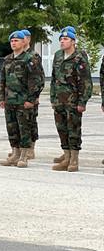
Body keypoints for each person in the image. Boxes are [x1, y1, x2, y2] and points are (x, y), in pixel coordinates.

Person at [50, 30, 92, 172]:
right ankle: (66, 157)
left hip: (73, 101)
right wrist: (52, 98)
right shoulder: (58, 56)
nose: (62, 41)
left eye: (66, 39)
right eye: (61, 39)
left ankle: (74, 160)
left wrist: (82, 102)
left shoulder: (79, 58)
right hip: (59, 101)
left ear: (73, 41)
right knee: (61, 129)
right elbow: (54, 79)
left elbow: (85, 81)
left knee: (73, 130)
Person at [0, 31, 40, 168]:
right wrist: (2, 97)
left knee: (24, 129)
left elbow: (35, 81)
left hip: (23, 101)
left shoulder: (29, 58)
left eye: (16, 41)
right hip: (10, 100)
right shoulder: (8, 59)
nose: (14, 43)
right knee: (12, 128)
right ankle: (14, 153)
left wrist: (31, 99)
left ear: (23, 42)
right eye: (12, 41)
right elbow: (3, 80)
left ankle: (24, 156)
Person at [19, 29, 45, 159]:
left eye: (22, 38)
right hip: (18, 98)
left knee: (31, 122)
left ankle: (31, 148)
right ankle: (20, 149)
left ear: (28, 40)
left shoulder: (33, 56)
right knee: (19, 123)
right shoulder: (17, 56)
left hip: (31, 96)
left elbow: (40, 78)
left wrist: (36, 96)